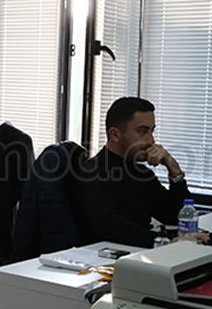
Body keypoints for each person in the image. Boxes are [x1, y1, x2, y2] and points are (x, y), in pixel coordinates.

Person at [76, 97, 192, 248]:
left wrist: (174, 169)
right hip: (106, 256)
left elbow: (175, 216)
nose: (151, 140)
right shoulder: (91, 172)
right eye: (142, 131)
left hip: (141, 251)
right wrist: (163, 241)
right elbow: (108, 227)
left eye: (151, 131)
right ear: (115, 134)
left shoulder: (142, 173)